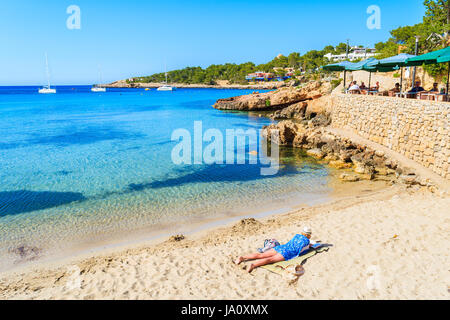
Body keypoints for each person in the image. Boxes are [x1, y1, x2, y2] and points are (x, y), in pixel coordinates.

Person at [234, 227, 312, 273]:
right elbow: (301, 252)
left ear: (302, 232)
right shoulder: (306, 241)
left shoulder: (297, 236)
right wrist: (309, 247)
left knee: (261, 255)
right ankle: (253, 265)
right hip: (287, 252)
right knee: (270, 260)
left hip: (281, 247)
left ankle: (242, 257)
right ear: (308, 235)